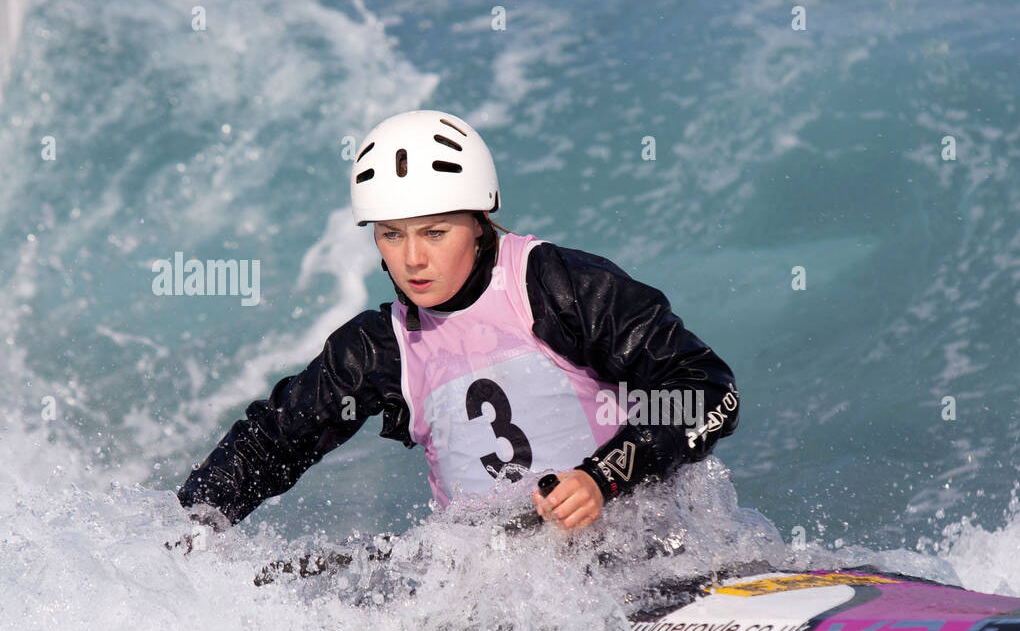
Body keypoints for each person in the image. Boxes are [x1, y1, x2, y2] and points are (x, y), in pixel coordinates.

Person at [175, 110, 739, 538]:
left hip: (642, 548)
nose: (412, 259)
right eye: (391, 235)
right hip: (499, 598)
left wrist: (602, 477)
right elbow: (268, 445)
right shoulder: (380, 350)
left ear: (478, 222)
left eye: (434, 232)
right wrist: (184, 538)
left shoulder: (558, 285)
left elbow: (708, 390)